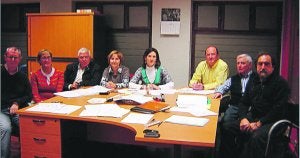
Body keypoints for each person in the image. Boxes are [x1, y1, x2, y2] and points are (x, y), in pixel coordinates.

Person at [219, 52, 291, 158]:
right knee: (227, 127)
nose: (263, 67)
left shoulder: (281, 84)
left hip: (272, 121)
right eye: (260, 64)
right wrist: (243, 118)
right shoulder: (254, 81)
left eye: (266, 64)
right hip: (254, 118)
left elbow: (278, 110)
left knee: (255, 137)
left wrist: (259, 124)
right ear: (256, 66)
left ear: (273, 67)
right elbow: (244, 102)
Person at [1, 47, 33, 158]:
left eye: (16, 57)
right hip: (2, 110)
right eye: (10, 57)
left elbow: (29, 96)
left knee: (28, 126)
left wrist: (16, 103)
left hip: (18, 109)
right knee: (5, 128)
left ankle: (29, 154)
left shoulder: (23, 77)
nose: (13, 60)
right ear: (5, 57)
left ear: (20, 59)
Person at [214, 54, 255, 122]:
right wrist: (219, 91)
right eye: (238, 63)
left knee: (250, 122)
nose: (239, 65)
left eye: (242, 63)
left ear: (250, 65)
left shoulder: (256, 78)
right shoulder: (233, 79)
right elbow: (223, 86)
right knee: (226, 121)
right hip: (235, 106)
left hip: (250, 106)